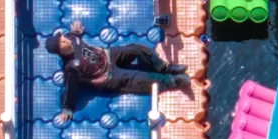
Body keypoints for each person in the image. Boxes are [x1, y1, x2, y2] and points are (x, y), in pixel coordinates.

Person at [46, 21, 190, 121]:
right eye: (61, 43)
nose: (64, 40)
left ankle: (164, 67)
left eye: (61, 38)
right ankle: (173, 81)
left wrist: (77, 31)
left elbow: (76, 35)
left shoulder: (70, 37)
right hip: (107, 76)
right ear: (60, 52)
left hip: (107, 56)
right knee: (139, 78)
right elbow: (70, 88)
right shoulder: (71, 67)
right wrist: (67, 108)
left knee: (136, 49)